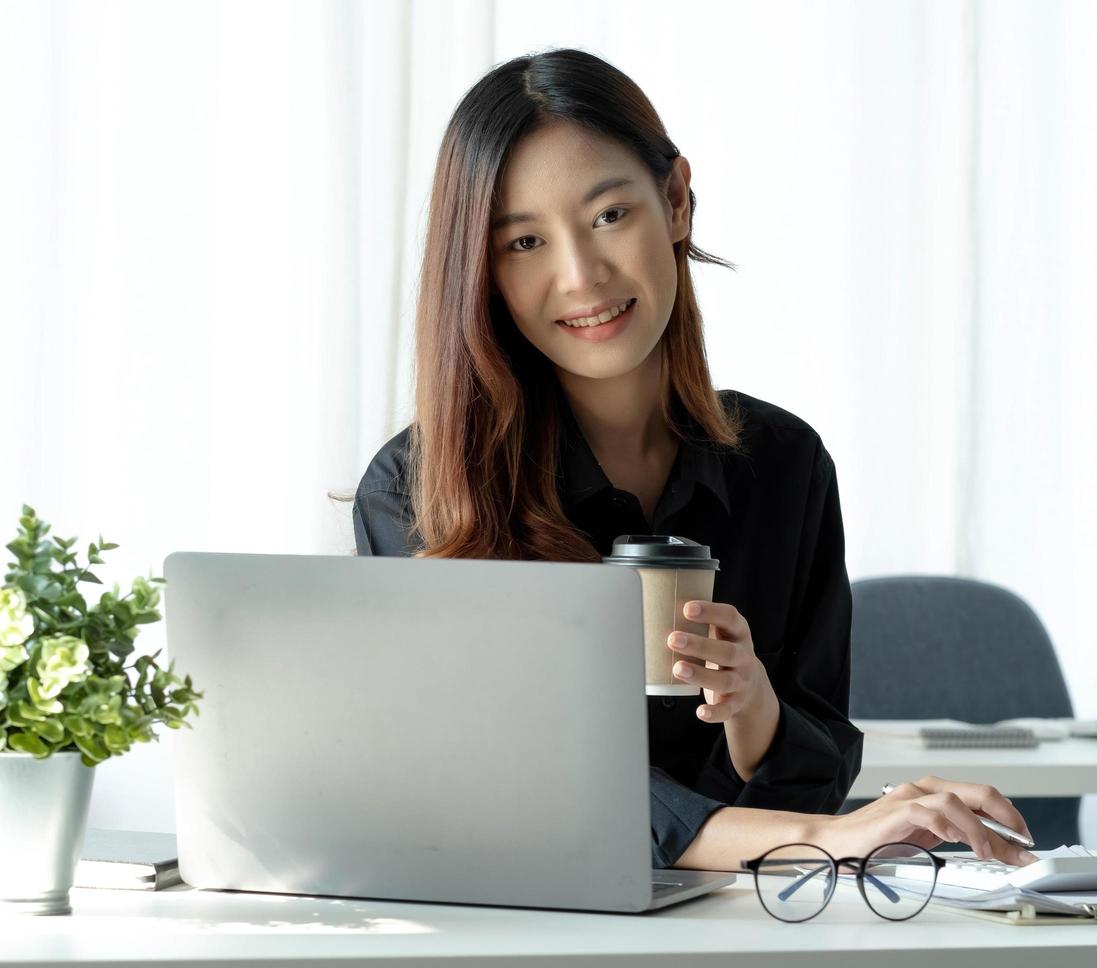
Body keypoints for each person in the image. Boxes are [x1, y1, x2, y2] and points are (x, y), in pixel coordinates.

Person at [349, 48, 1034, 873]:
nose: (581, 275)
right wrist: (824, 838)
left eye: (609, 216)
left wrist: (753, 709)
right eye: (524, 241)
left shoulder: (785, 466)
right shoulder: (424, 490)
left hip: (744, 930)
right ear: (484, 274)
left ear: (675, 201)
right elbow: (524, 791)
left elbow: (812, 775)